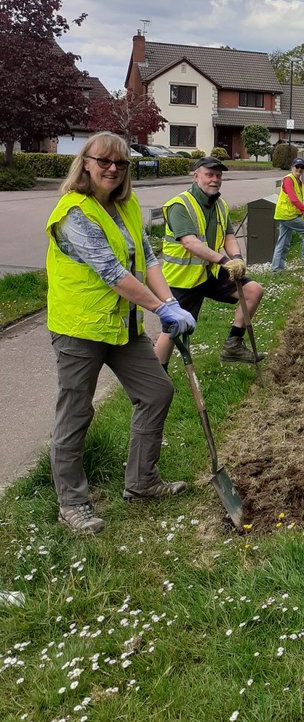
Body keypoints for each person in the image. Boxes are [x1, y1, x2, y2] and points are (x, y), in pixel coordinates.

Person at [46, 132, 196, 534]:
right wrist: (160, 307)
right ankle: (72, 502)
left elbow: (147, 259)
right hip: (80, 328)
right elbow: (112, 272)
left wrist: (171, 303)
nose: (113, 169)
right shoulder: (73, 212)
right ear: (86, 162)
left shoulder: (125, 206)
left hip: (121, 327)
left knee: (157, 391)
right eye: (104, 161)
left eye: (121, 163)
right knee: (76, 412)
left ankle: (141, 482)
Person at [154, 156, 265, 367]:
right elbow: (189, 243)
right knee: (172, 329)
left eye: (218, 175)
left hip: (210, 273)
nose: (214, 179)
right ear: (196, 176)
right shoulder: (180, 205)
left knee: (253, 291)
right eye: (209, 175)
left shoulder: (220, 205)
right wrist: (224, 260)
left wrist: (238, 259)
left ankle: (233, 344)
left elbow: (229, 237)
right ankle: (159, 376)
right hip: (183, 278)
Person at [271, 156, 304, 271]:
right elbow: (293, 199)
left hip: (286, 215)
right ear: (292, 167)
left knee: (283, 243)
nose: (299, 169)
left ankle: (276, 270)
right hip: (287, 215)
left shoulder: (299, 182)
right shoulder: (288, 180)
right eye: (297, 166)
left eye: (302, 167)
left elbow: (297, 201)